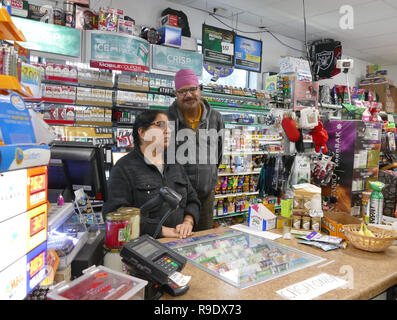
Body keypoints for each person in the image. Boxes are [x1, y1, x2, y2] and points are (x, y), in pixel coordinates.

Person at [103, 110, 200, 239]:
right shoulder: (124, 168)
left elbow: (193, 200)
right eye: (160, 125)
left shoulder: (174, 164)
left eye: (169, 126)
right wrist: (162, 231)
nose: (168, 131)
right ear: (142, 132)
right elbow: (115, 214)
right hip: (145, 245)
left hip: (180, 241)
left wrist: (188, 222)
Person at [167, 69, 224, 231]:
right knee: (179, 241)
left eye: (192, 89)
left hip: (205, 196)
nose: (189, 95)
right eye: (182, 91)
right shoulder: (166, 119)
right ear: (176, 94)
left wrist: (210, 177)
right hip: (176, 198)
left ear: (200, 90)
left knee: (204, 241)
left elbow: (218, 154)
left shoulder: (215, 118)